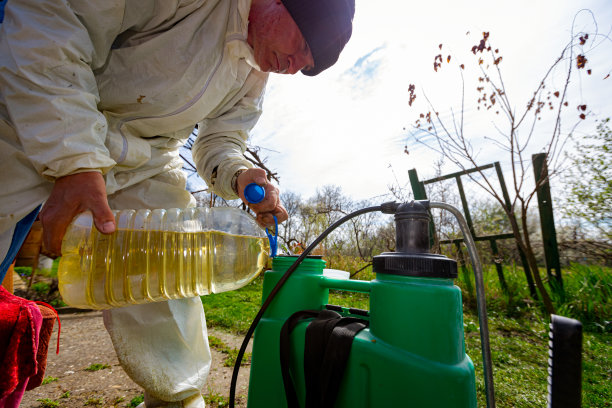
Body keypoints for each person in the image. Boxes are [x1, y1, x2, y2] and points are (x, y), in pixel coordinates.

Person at [0, 0, 355, 406]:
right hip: (30, 112)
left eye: (303, 66)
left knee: (166, 284)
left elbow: (222, 141)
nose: (291, 67)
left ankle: (176, 398)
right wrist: (76, 159)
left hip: (143, 161)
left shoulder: (257, 70)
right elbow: (53, 18)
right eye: (300, 48)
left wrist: (240, 174)